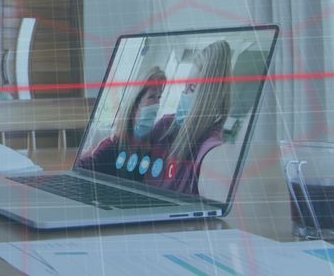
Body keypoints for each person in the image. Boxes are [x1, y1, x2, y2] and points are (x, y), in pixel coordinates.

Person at [142, 40, 232, 196]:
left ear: (209, 98)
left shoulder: (210, 148)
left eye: (191, 88)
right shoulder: (166, 125)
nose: (183, 95)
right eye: (185, 87)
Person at [75, 66, 166, 179]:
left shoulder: (147, 152)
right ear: (134, 106)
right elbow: (78, 169)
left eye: (159, 97)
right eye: (152, 97)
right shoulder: (111, 148)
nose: (157, 104)